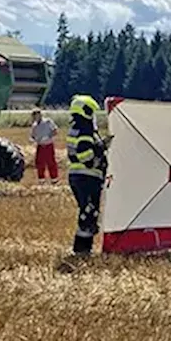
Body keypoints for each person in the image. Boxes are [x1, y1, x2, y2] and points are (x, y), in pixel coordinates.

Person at [66, 95, 109, 256]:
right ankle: (81, 249)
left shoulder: (77, 127)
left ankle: (84, 248)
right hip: (87, 176)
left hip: (79, 176)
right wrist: (100, 150)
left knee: (88, 212)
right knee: (88, 212)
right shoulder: (85, 129)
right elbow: (86, 156)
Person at [30, 109, 59, 182]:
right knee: (39, 162)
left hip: (48, 144)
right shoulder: (34, 125)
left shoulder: (48, 122)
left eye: (37, 114)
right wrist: (33, 139)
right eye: (34, 115)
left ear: (40, 115)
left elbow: (55, 131)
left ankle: (54, 178)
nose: (36, 117)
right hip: (40, 145)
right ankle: (41, 178)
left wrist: (48, 136)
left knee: (50, 161)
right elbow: (33, 136)